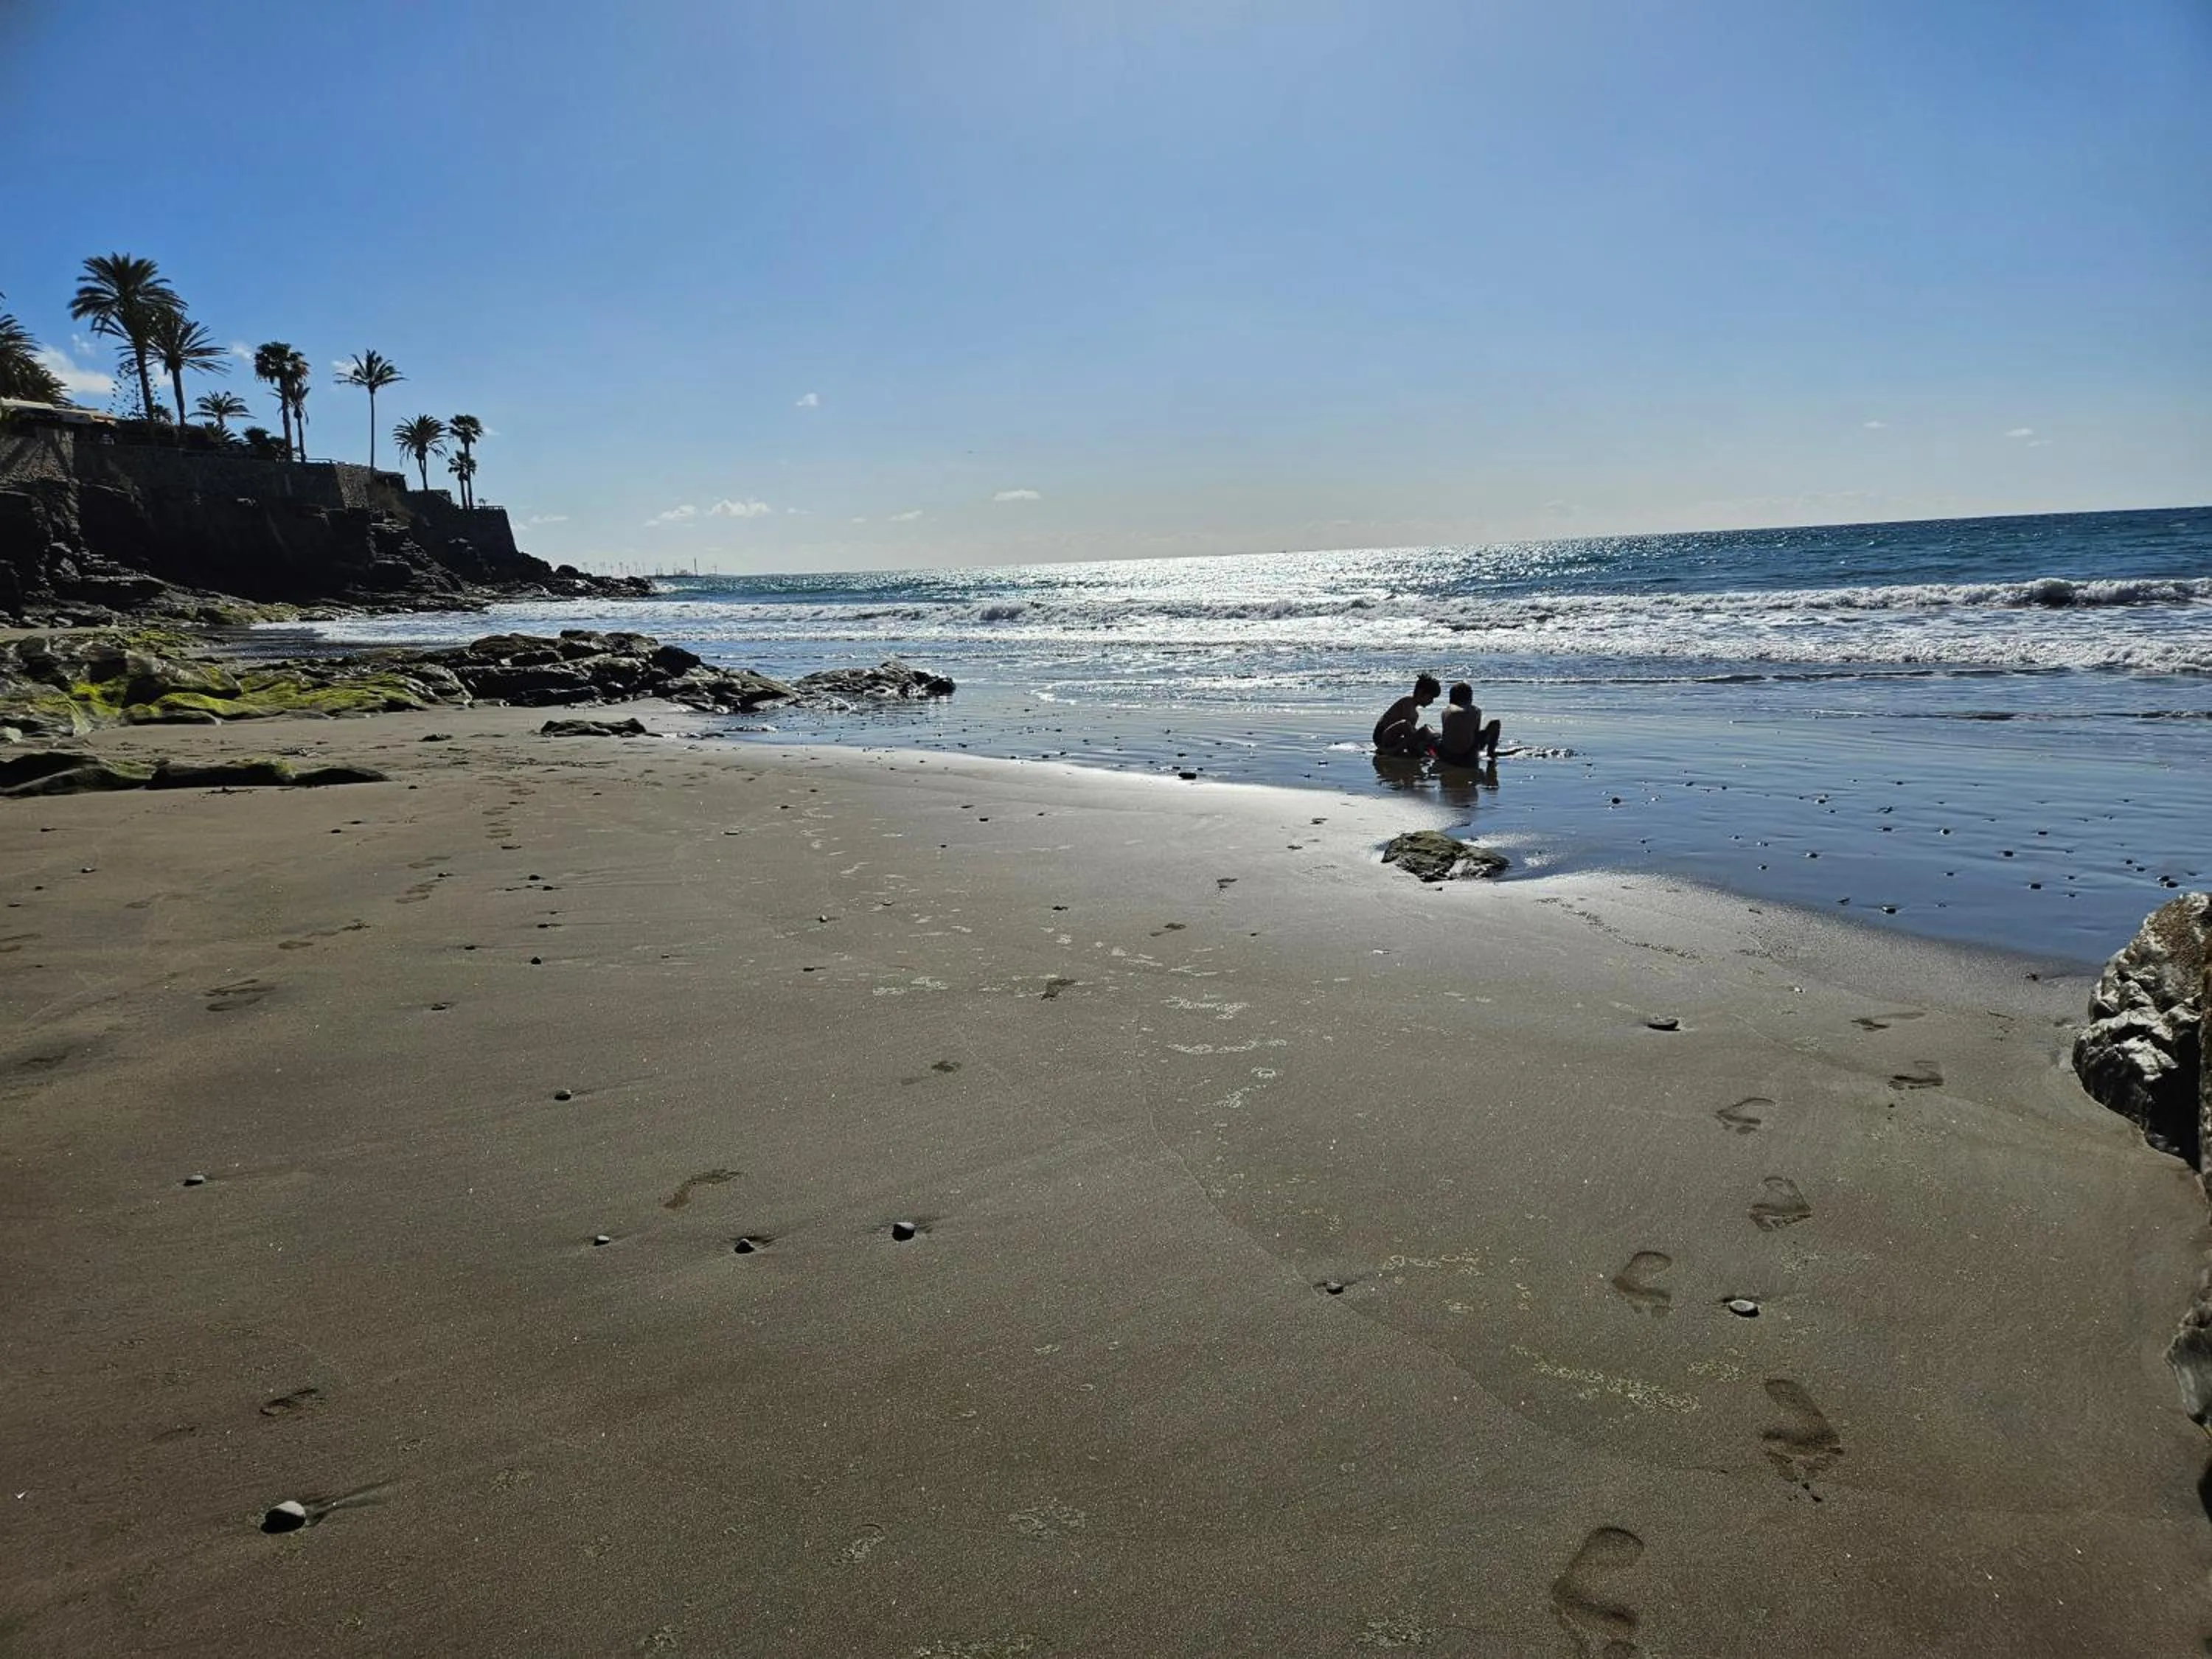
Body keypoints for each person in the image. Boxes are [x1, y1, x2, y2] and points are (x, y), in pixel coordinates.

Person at [1371, 673, 1441, 756]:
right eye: (1430, 697)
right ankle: (1418, 750)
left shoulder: (1415, 714)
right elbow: (1407, 730)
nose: (1432, 701)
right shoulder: (1407, 702)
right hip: (1382, 738)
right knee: (1406, 725)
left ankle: (1435, 746)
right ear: (1420, 692)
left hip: (1394, 740)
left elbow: (1410, 736)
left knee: (1425, 729)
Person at [1436, 681, 1501, 765]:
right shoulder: (1475, 711)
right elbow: (1474, 735)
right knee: (1495, 723)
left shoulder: (1445, 711)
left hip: (1446, 755)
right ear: (1470, 698)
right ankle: (1491, 753)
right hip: (1468, 757)